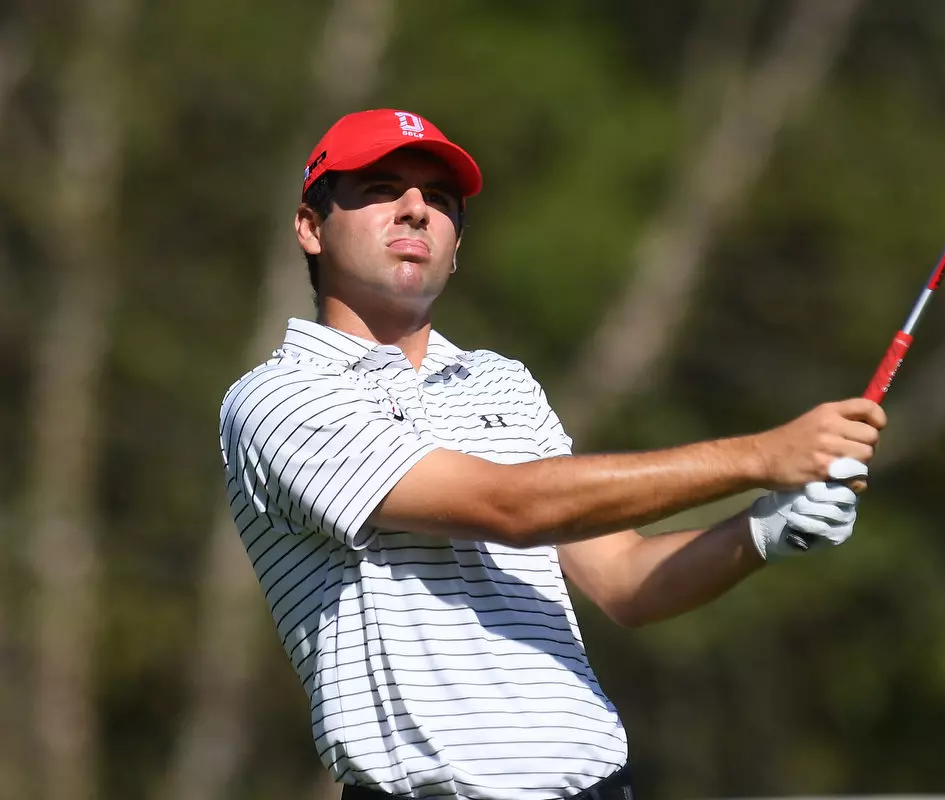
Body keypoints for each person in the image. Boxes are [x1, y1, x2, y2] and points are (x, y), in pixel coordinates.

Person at [218, 108, 887, 800]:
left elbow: (624, 580)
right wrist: (762, 455)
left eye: (440, 201)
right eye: (382, 189)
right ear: (310, 226)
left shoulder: (501, 380)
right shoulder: (278, 397)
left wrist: (759, 532)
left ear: (455, 247)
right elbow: (509, 506)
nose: (417, 210)